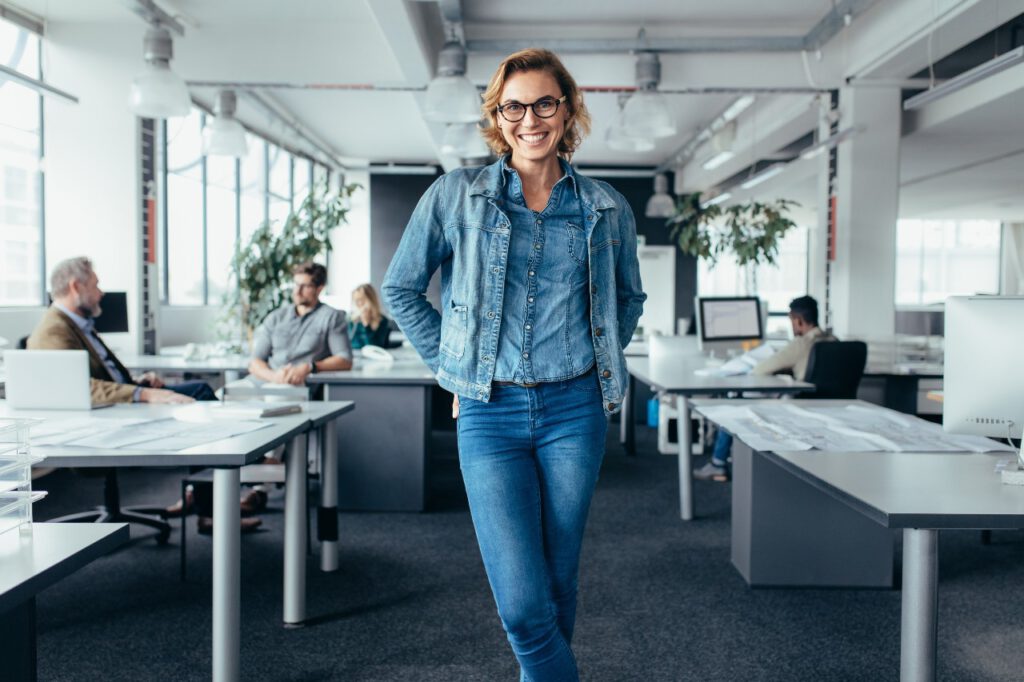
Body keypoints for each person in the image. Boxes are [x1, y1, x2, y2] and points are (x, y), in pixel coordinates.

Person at [383, 48, 645, 681]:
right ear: (497, 117)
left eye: (544, 103)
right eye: (515, 107)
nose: (531, 119)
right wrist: (455, 366)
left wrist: (600, 355)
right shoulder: (455, 196)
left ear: (567, 109)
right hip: (488, 413)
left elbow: (629, 297)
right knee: (524, 602)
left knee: (557, 579)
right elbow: (400, 289)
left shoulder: (605, 207)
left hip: (575, 412)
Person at [28, 256, 213, 404]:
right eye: (95, 285)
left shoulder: (80, 324)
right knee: (200, 392)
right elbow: (75, 387)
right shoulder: (53, 331)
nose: (101, 293)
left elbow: (105, 376)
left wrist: (139, 382)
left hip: (123, 395)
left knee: (200, 389)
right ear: (76, 287)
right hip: (113, 408)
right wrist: (144, 394)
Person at [693, 295, 834, 482]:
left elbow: (761, 369)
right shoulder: (833, 340)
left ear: (798, 320)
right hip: (831, 409)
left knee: (735, 403)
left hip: (799, 407)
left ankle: (718, 463)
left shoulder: (802, 343)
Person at [247, 261, 353, 385]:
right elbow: (255, 362)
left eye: (305, 286)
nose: (297, 291)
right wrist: (274, 377)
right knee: (222, 394)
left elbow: (345, 360)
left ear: (319, 289)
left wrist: (309, 367)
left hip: (297, 385)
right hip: (264, 380)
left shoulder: (332, 317)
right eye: (296, 284)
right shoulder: (275, 317)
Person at [348, 283, 391, 349]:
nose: (359, 303)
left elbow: (374, 347)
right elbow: (352, 345)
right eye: (356, 300)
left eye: (362, 299)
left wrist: (366, 325)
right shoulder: (351, 321)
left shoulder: (383, 321)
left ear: (371, 300)